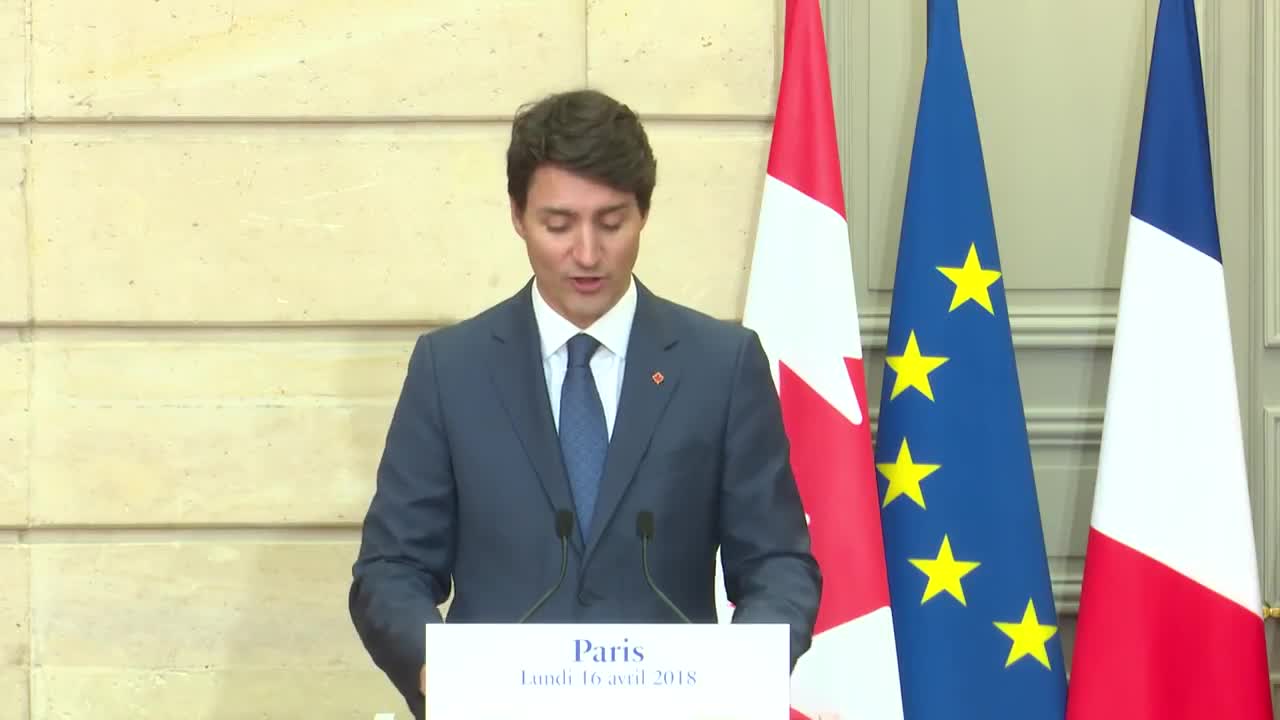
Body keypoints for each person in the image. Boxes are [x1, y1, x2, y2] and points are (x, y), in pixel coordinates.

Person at [348, 88, 821, 719]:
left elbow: (778, 565)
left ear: (644, 213)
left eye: (611, 221)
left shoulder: (721, 365)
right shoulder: (450, 369)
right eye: (559, 224)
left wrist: (739, 676)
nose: (588, 254)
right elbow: (392, 568)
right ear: (518, 215)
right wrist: (438, 674)